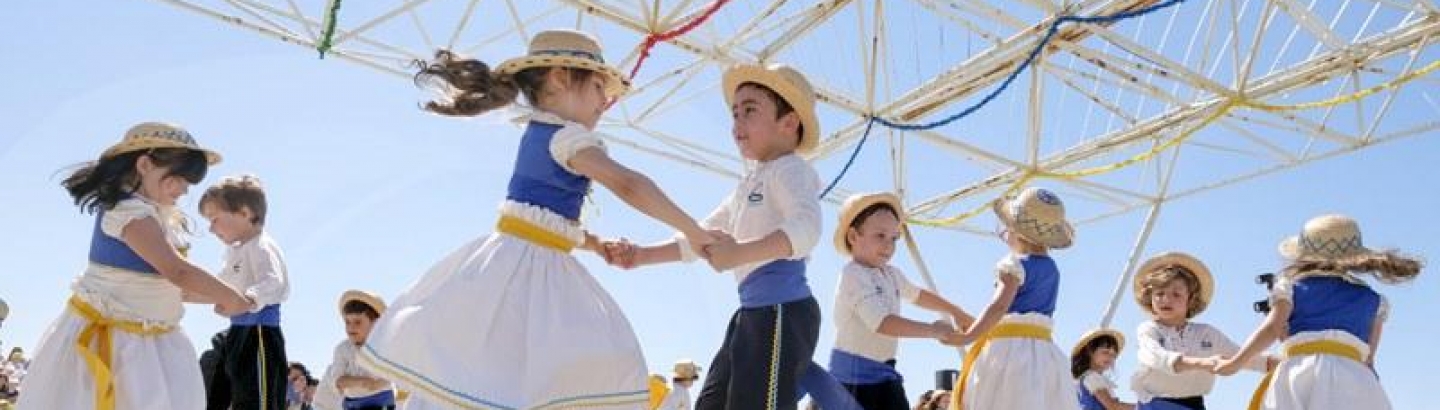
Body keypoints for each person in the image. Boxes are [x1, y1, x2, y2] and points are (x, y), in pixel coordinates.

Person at [356, 29, 713, 409]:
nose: (604, 101)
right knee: (586, 361)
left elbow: (540, 218)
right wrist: (695, 231)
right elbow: (628, 184)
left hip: (513, 263)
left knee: (490, 373)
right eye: (597, 87)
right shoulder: (567, 137)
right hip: (529, 275)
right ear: (560, 78)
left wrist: (593, 243)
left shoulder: (540, 133)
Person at [18, 122, 250, 409]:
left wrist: (236, 298)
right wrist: (231, 297)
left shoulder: (161, 219)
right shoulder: (128, 212)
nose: (182, 190)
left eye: (188, 184)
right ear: (144, 164)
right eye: (177, 178)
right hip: (116, 343)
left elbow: (175, 287)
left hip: (155, 343)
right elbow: (177, 271)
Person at [1216, 215, 1420, 410]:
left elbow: (1272, 328)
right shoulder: (1374, 300)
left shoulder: (1290, 286)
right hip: (1356, 380)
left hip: (1302, 374)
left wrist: (1236, 363)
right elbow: (1368, 358)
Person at [828, 192, 972, 409]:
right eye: (880, 235)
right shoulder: (853, 275)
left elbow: (918, 295)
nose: (888, 245)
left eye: (894, 238)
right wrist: (933, 330)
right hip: (852, 378)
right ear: (853, 236)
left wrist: (955, 310)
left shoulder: (891, 274)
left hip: (884, 372)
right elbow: (883, 323)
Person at [947, 187, 1079, 410]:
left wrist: (969, 335)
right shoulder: (1052, 269)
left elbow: (999, 306)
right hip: (1044, 353)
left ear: (1015, 231)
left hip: (1009, 351)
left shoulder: (1014, 265)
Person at [198, 174, 291, 410]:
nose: (211, 228)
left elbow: (274, 282)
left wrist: (248, 300)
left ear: (245, 213)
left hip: (259, 333)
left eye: (215, 219)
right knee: (224, 391)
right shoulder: (234, 254)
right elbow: (219, 287)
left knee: (257, 400)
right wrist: (182, 293)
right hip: (238, 332)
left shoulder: (261, 245)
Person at [1130, 252, 1267, 409]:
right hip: (1155, 405)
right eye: (1159, 293)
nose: (1166, 299)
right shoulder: (1148, 330)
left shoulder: (1207, 334)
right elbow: (1157, 357)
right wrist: (1205, 363)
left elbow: (1245, 357)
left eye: (1176, 294)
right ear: (1150, 297)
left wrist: (1281, 362)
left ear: (1191, 298)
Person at [317, 291, 396, 410]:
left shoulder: (384, 346)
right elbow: (337, 380)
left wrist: (379, 383)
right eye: (347, 322)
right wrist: (361, 382)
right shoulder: (343, 349)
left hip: (381, 401)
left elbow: (394, 373)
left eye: (358, 322)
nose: (351, 327)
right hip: (352, 404)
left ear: (375, 323)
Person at [1071, 329, 1133, 410]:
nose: (1110, 357)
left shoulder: (1087, 377)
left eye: (1113, 355)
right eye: (1105, 352)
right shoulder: (1092, 377)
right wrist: (1143, 407)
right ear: (1090, 351)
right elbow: (1112, 406)